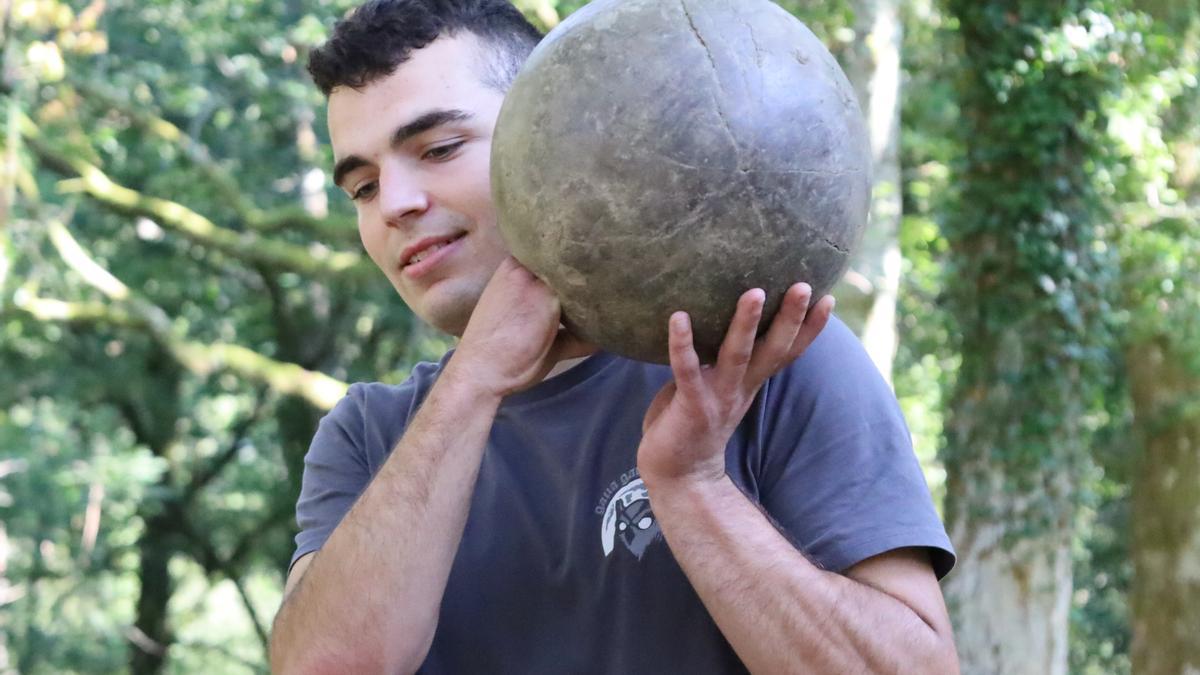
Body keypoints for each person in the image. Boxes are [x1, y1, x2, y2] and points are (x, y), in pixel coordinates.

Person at [269, 1, 959, 673]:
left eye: (440, 148)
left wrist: (693, 485)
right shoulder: (368, 435)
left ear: (551, 134)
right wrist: (474, 381)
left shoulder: (763, 352)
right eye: (362, 188)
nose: (395, 204)